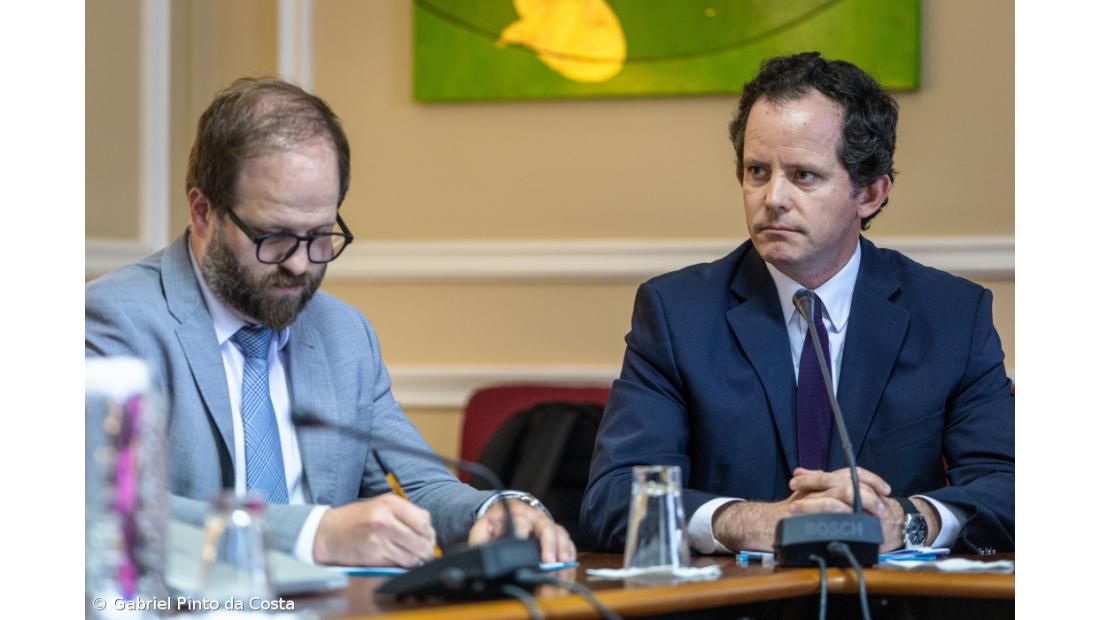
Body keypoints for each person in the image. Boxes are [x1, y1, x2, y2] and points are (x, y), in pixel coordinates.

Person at [86, 77, 574, 566]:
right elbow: (98, 507)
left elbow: (420, 485)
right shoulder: (114, 321)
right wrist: (313, 534)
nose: (300, 264)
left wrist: (498, 511)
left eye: (320, 235)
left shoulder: (345, 335)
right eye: (273, 237)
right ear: (202, 213)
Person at [581, 52, 1014, 555]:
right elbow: (613, 498)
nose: (773, 198)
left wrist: (906, 522)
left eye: (804, 175)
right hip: (740, 594)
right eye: (757, 171)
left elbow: (1010, 485)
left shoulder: (952, 315)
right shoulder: (676, 313)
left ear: (870, 194)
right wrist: (749, 522)